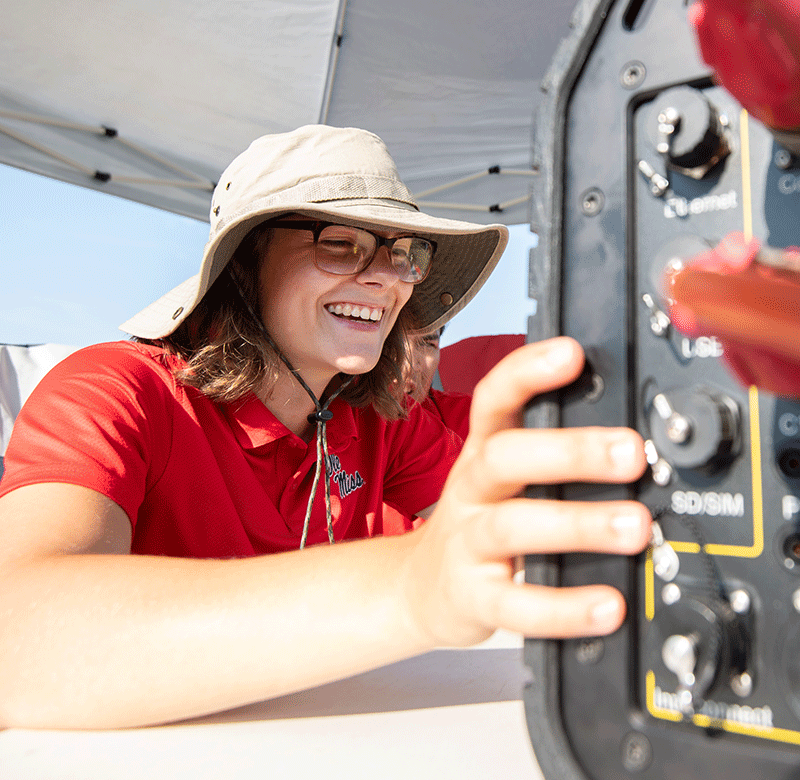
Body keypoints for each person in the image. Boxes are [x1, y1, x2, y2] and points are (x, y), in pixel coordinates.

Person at [0, 125, 651, 729]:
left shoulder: (378, 418)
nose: (383, 277)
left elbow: (509, 520)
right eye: (339, 243)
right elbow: (16, 635)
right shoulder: (117, 391)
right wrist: (416, 583)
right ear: (245, 264)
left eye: (405, 254)